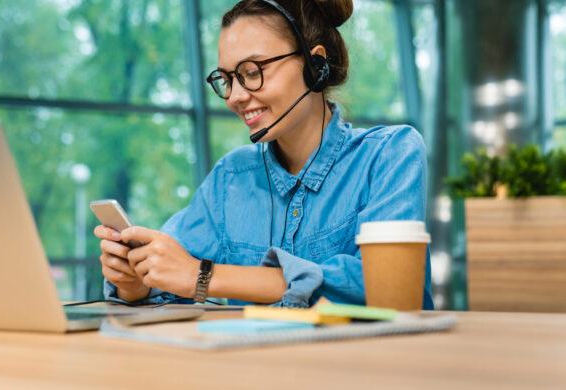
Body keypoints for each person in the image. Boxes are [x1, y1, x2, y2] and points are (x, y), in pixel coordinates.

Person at [94, 0, 434, 309]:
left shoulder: (389, 153)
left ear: (315, 65)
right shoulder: (231, 178)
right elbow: (171, 275)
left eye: (252, 72)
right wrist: (136, 281)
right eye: (227, 79)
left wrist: (203, 276)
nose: (235, 97)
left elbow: (383, 287)